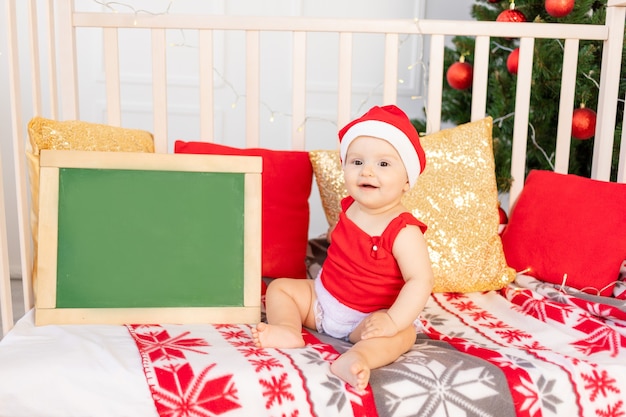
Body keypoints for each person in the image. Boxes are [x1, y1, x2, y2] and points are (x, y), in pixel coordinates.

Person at [252, 105, 434, 391]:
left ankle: (357, 357)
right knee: (280, 288)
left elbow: (420, 280)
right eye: (357, 162)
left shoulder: (404, 231)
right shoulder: (350, 207)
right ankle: (288, 330)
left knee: (405, 334)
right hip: (322, 301)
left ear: (407, 181)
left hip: (369, 320)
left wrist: (391, 320)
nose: (368, 171)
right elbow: (342, 243)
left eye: (383, 164)